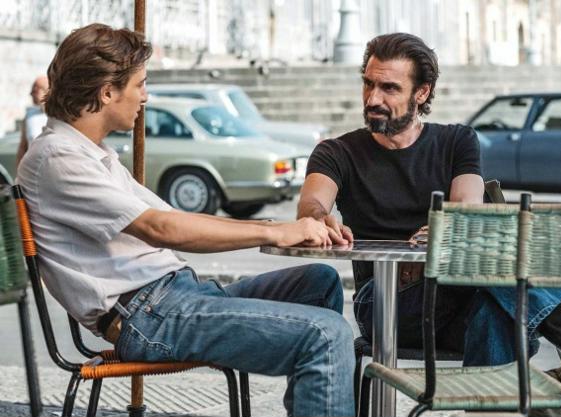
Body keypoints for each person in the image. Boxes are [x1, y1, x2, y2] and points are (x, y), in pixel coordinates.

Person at [298, 32, 561, 405]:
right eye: (369, 84)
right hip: (386, 302)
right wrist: (319, 218)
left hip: (463, 298)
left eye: (389, 88)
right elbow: (311, 205)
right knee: (486, 260)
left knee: (495, 311)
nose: (373, 99)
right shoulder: (336, 152)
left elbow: (465, 213)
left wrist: (449, 232)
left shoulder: (457, 141)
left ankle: (529, 386)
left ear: (422, 92)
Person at [17, 23, 354, 417]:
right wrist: (277, 232)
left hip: (174, 298)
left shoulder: (89, 152)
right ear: (107, 91)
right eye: (140, 84)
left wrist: (282, 230)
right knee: (325, 335)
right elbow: (160, 229)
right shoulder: (57, 157)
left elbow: (174, 218)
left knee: (318, 282)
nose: (145, 96)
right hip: (147, 315)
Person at [16, 75, 49, 166]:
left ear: (47, 91)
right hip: (33, 169)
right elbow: (23, 147)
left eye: (35, 91)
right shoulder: (29, 116)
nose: (30, 94)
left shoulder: (60, 116)